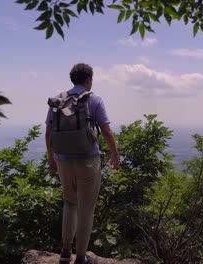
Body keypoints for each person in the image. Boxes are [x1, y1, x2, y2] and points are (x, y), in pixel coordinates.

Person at [45, 63, 119, 264]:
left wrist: (51, 159)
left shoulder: (58, 100)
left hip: (63, 161)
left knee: (70, 203)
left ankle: (65, 252)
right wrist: (114, 153)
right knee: (86, 208)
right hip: (88, 160)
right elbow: (106, 131)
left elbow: (49, 133)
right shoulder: (94, 99)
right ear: (88, 79)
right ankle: (81, 257)